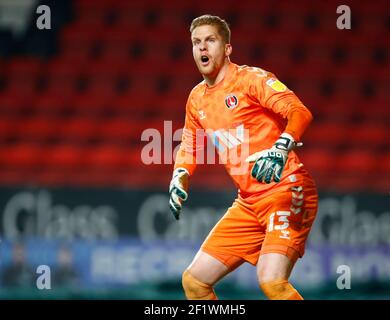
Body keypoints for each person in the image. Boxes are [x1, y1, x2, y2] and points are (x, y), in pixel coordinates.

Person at [168, 14, 318, 300]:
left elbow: (300, 112)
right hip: (248, 203)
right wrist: (180, 175)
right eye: (196, 42)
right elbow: (190, 143)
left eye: (210, 41)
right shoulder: (197, 98)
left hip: (287, 188)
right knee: (195, 283)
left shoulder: (251, 80)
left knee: (272, 282)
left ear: (227, 48)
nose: (202, 48)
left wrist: (281, 147)